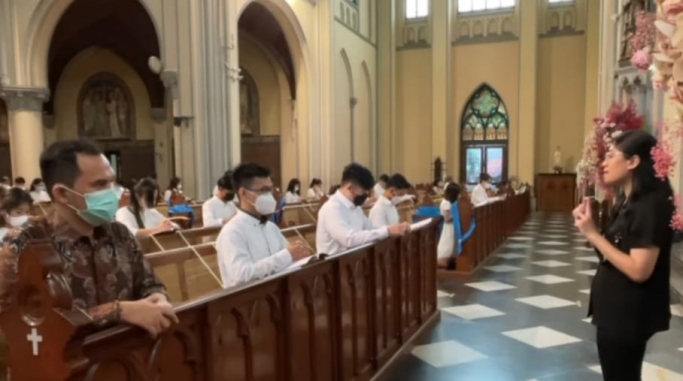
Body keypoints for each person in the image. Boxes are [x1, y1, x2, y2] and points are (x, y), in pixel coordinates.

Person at [0, 139, 177, 337]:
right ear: (63, 193)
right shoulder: (25, 242)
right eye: (100, 185)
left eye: (112, 182)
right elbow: (15, 321)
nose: (112, 193)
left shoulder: (120, 234)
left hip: (126, 358)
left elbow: (149, 283)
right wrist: (116, 311)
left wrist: (157, 298)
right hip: (62, 363)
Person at [573, 130, 674, 380]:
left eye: (611, 156)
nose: (603, 163)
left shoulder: (649, 205)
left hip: (627, 314)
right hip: (617, 311)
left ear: (633, 161)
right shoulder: (629, 201)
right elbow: (615, 253)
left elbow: (640, 270)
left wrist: (593, 235)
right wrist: (591, 230)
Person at [216, 163, 311, 287]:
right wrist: (287, 255)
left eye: (270, 189)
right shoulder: (232, 232)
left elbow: (291, 257)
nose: (269, 195)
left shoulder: (271, 227)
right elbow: (242, 276)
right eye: (263, 190)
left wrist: (300, 254)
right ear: (244, 193)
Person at [316, 163, 409, 255]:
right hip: (333, 265)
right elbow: (349, 239)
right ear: (350, 187)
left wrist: (394, 229)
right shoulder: (331, 208)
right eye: (363, 191)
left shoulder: (356, 208)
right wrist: (387, 231)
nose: (365, 195)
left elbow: (370, 228)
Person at [437, 182, 462, 269]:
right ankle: (442, 262)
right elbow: (447, 218)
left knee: (453, 245)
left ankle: (452, 261)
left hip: (452, 226)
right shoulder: (446, 203)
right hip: (448, 227)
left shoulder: (451, 202)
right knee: (447, 245)